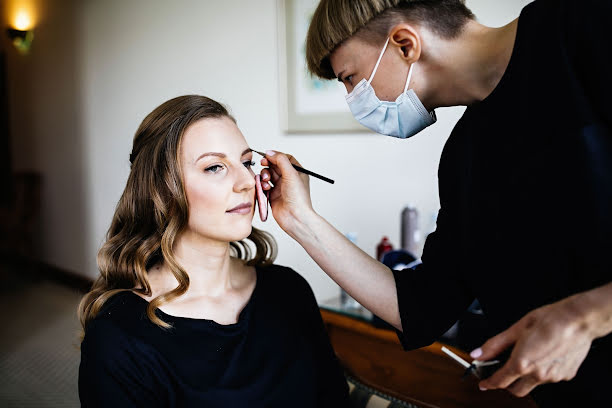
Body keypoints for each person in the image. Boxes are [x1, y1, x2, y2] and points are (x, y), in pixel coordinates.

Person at [257, 0, 612, 406]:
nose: (354, 99)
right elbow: (421, 308)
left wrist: (585, 317)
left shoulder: (582, 29)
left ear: (405, 44)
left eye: (351, 79)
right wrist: (300, 218)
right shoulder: (464, 157)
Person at [77, 95, 349, 407]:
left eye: (247, 163)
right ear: (162, 190)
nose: (247, 181)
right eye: (215, 167)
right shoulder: (118, 337)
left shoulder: (288, 288)